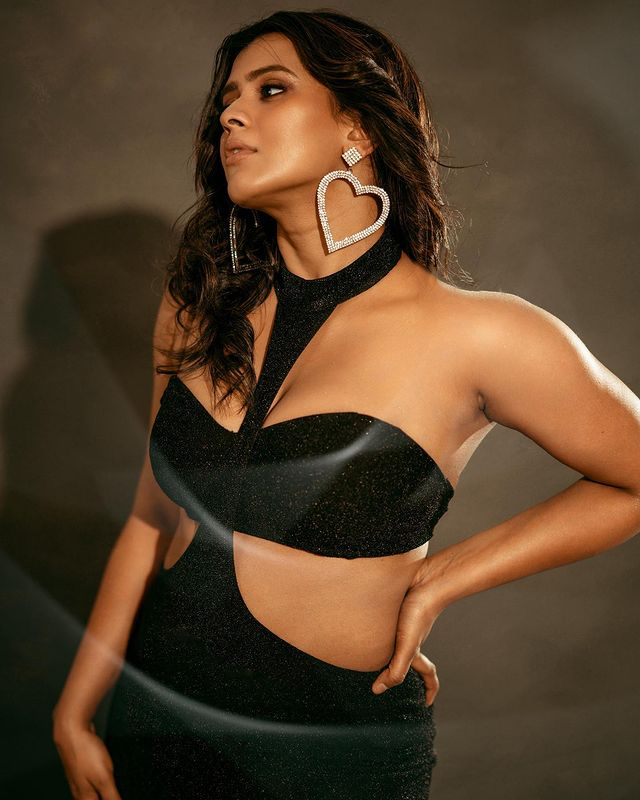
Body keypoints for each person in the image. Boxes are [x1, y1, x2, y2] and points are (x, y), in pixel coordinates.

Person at [52, 9, 640, 800]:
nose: (230, 115)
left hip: (330, 761)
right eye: (227, 99)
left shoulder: (478, 334)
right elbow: (149, 518)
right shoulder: (197, 307)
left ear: (356, 128)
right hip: (154, 727)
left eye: (270, 90)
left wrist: (443, 578)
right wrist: (75, 712)